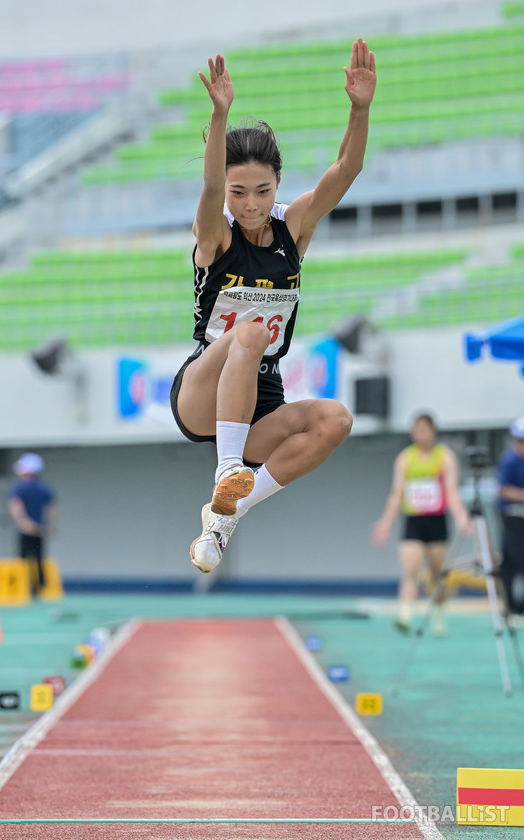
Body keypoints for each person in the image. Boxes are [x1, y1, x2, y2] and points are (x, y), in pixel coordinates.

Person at [169, 41, 377, 573]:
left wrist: (359, 109)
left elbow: (345, 171)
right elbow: (212, 181)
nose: (252, 203)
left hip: (260, 395)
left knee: (336, 420)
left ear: (278, 184)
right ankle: (227, 469)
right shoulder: (216, 233)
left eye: (262, 191)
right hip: (203, 386)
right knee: (249, 332)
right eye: (240, 193)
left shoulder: (293, 229)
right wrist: (220, 116)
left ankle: (226, 513)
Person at [372, 413, 470, 635]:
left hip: (436, 521)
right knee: (411, 569)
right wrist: (385, 523)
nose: (421, 433)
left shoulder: (444, 457)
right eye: (417, 429)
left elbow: (452, 492)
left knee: (437, 574)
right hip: (414, 520)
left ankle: (438, 614)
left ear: (433, 431)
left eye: (425, 429)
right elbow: (397, 493)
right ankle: (405, 615)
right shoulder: (405, 458)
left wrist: (462, 516)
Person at [7, 453, 59, 595]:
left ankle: (25, 588)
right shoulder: (43, 487)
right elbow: (53, 506)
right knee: (39, 558)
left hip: (25, 530)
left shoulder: (20, 487)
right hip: (40, 529)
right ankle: (39, 587)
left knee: (23, 559)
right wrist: (50, 525)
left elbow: (15, 505)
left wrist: (23, 521)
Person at [497, 416, 524, 618]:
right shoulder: (510, 459)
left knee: (522, 562)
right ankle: (513, 607)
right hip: (512, 517)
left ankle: (518, 607)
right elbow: (502, 490)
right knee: (514, 560)